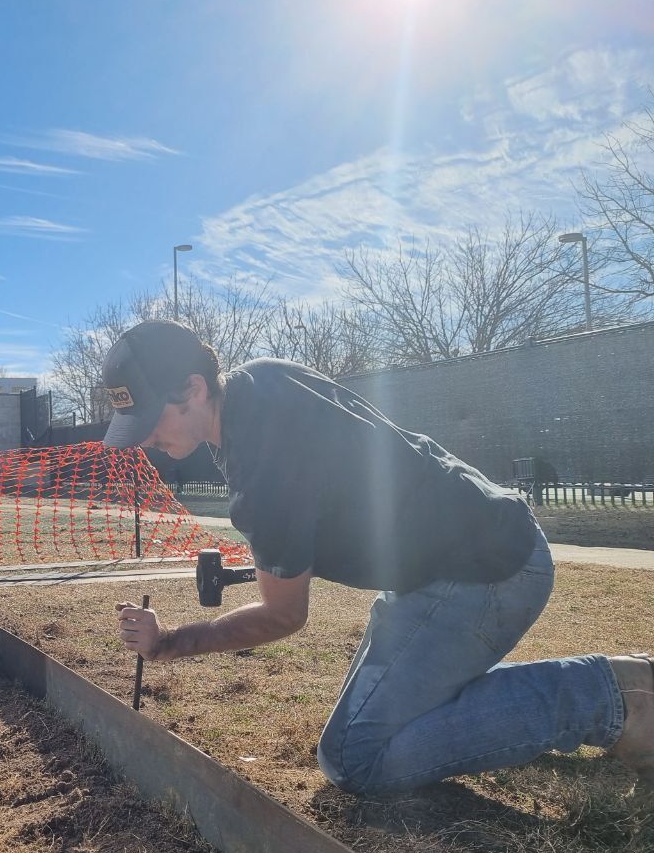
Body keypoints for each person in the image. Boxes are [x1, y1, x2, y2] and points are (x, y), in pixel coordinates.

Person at [106, 319, 652, 795]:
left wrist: (170, 642)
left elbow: (282, 616)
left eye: (151, 418)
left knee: (356, 756)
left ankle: (608, 698)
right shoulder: (263, 376)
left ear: (195, 388)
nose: (144, 439)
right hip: (464, 548)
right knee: (395, 713)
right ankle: (607, 686)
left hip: (487, 572)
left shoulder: (262, 475)